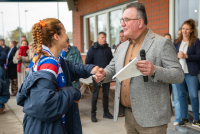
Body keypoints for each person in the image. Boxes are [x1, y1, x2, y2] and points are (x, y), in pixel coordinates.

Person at [94, 2, 184, 133]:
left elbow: (179, 75)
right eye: (122, 20)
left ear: (140, 22)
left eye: (126, 20)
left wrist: (154, 71)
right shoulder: (122, 46)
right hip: (128, 116)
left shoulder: (161, 43)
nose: (122, 24)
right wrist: (103, 74)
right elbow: (112, 68)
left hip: (153, 120)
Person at [16, 18, 100, 134]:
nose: (67, 35)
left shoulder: (55, 59)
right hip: (45, 129)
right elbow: (47, 104)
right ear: (56, 36)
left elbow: (71, 67)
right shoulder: (49, 64)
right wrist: (74, 92)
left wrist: (92, 69)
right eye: (64, 32)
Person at [174, 19, 200, 127]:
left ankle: (196, 119)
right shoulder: (176, 42)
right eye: (183, 28)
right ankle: (184, 118)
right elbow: (171, 56)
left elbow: (199, 56)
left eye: (187, 29)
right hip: (179, 73)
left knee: (193, 96)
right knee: (181, 95)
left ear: (191, 31)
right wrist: (176, 56)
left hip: (191, 73)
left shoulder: (196, 41)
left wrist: (186, 56)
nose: (185, 31)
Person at [85, 32, 113, 122]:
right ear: (98, 39)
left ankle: (106, 113)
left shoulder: (108, 49)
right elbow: (87, 63)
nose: (104, 39)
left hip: (106, 75)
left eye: (105, 37)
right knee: (95, 95)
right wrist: (94, 72)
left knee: (105, 95)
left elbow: (112, 62)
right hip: (97, 76)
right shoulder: (92, 49)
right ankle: (93, 114)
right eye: (102, 37)